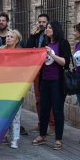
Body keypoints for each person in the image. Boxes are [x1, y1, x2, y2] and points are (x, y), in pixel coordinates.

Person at [32, 21, 71, 150]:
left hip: (57, 82)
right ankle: (42, 135)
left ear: (55, 29)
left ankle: (58, 139)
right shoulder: (45, 43)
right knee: (44, 109)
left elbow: (65, 62)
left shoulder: (63, 43)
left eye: (49, 27)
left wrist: (51, 54)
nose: (47, 30)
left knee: (57, 110)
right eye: (47, 28)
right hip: (45, 81)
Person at [25, 13, 54, 134]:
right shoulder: (36, 35)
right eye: (40, 22)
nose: (41, 24)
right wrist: (32, 35)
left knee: (49, 99)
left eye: (43, 22)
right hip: (37, 70)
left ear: (48, 23)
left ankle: (53, 125)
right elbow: (28, 48)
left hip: (48, 70)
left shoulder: (51, 35)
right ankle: (41, 124)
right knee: (38, 99)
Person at [0, 30, 24, 148]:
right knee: (3, 113)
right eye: (7, 36)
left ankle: (15, 139)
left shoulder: (20, 54)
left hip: (16, 87)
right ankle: (3, 135)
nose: (8, 38)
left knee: (16, 114)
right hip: (2, 87)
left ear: (17, 40)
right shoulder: (1, 50)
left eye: (11, 37)